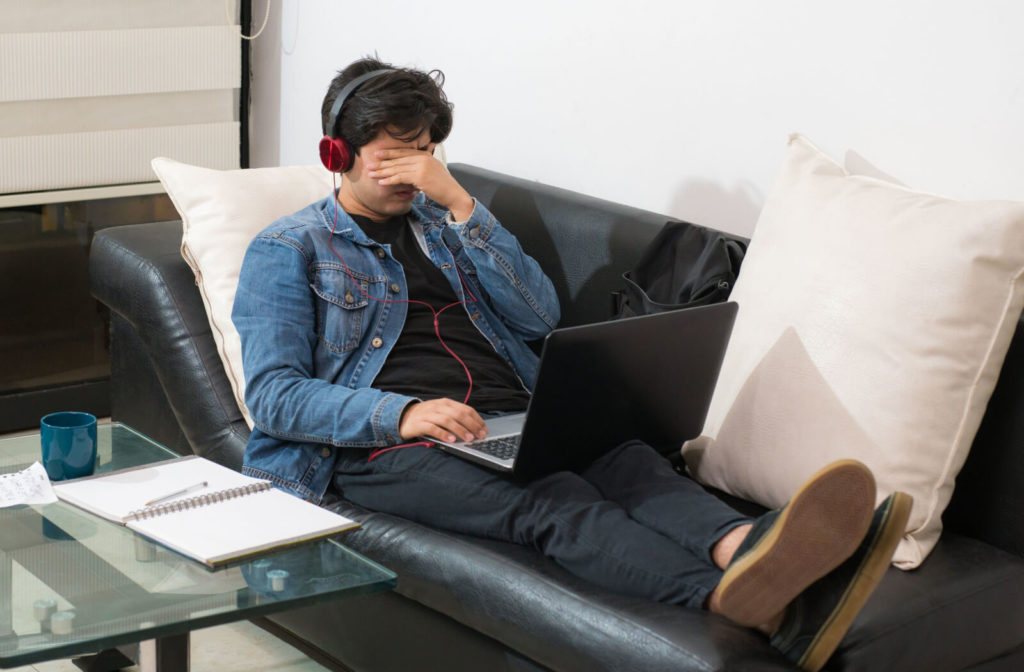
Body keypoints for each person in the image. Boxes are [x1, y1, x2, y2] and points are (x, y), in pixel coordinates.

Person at [231, 57, 911, 671]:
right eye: (398, 152)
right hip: (381, 447)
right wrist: (403, 413)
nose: (418, 168)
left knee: (628, 458)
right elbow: (276, 396)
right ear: (338, 152)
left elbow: (538, 316)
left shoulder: (447, 223)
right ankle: (749, 605)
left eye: (428, 150)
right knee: (555, 504)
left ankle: (750, 549)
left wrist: (465, 206)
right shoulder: (289, 249)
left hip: (510, 413)